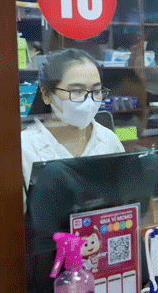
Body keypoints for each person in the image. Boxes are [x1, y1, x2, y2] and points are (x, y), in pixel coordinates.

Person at [21, 48, 125, 189]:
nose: (89, 100)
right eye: (76, 91)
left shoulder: (108, 140)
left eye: (96, 91)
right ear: (47, 94)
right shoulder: (25, 147)